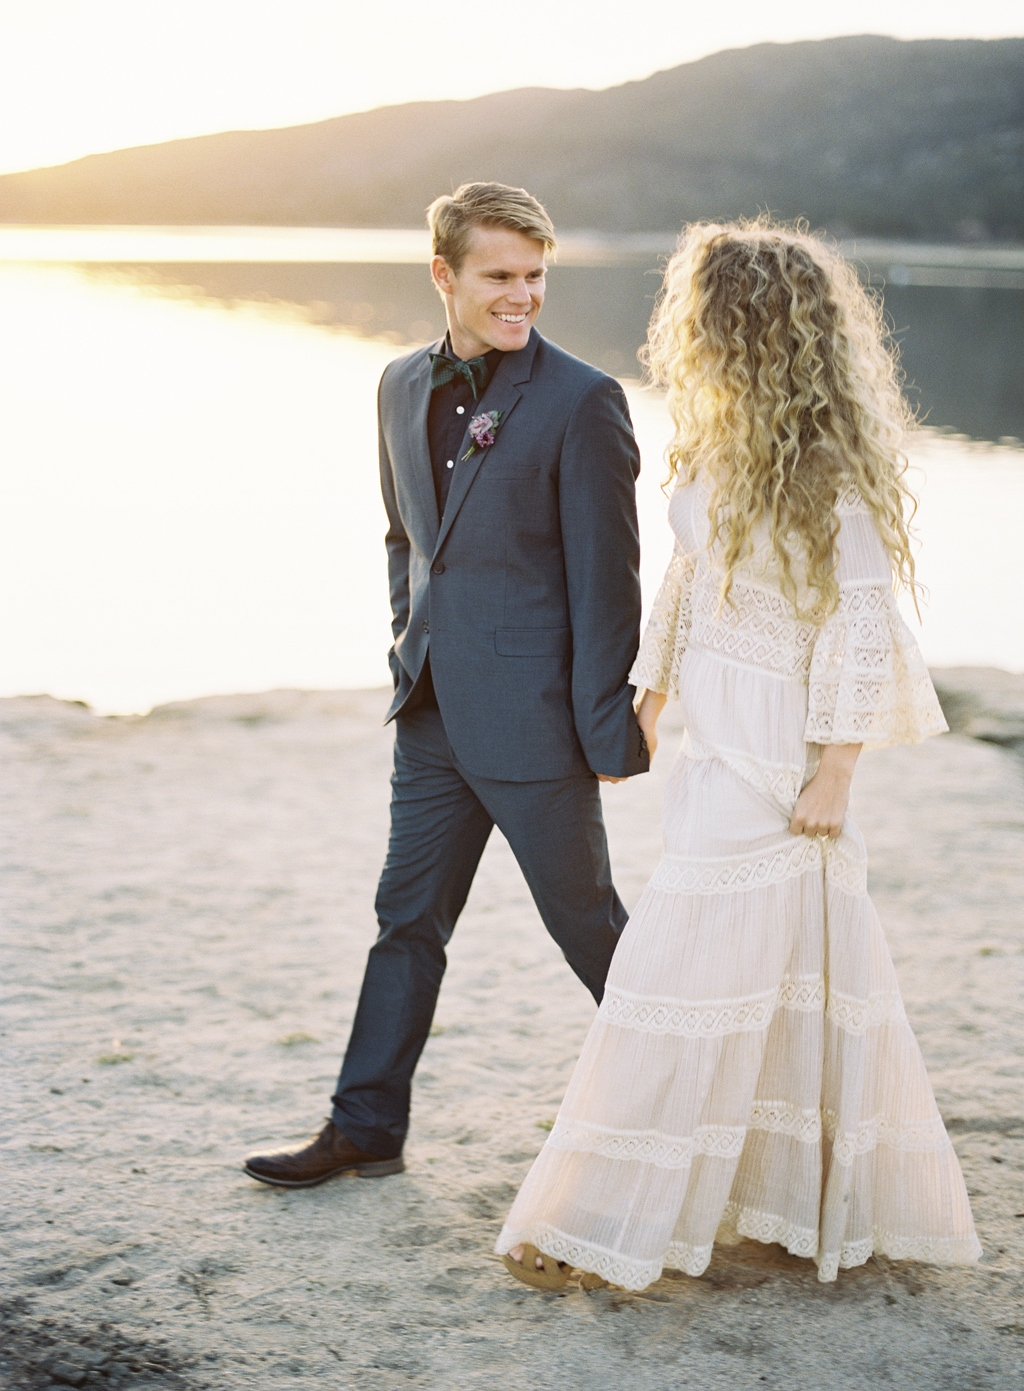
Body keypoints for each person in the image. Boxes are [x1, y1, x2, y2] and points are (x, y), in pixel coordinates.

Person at [496, 220, 982, 1289]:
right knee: (765, 960)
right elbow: (685, 577)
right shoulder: (718, 440)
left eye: (703, 316)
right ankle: (774, 1203)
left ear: (743, 325)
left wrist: (837, 769)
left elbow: (862, 624)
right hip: (713, 721)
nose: (687, 335)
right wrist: (650, 695)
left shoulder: (837, 471)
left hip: (779, 738)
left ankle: (604, 1208)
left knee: (690, 953)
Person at [244, 182, 649, 1188]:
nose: (523, 296)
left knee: (590, 927)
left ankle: (706, 1103)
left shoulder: (583, 400)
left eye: (535, 276)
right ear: (443, 275)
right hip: (427, 711)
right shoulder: (392, 384)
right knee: (404, 918)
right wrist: (405, 643)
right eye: (500, 277)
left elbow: (611, 580)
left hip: (535, 724)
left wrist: (606, 732)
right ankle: (364, 1126)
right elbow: (406, 539)